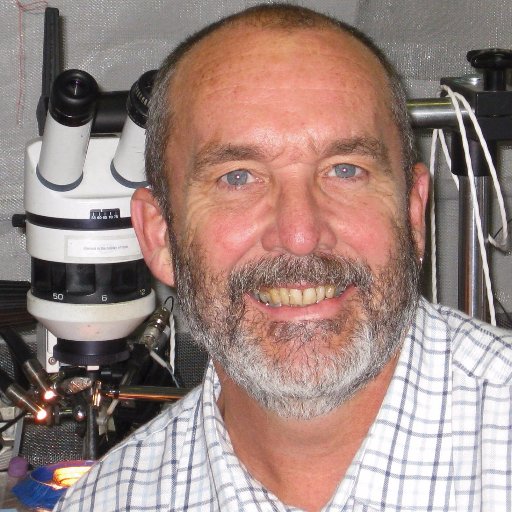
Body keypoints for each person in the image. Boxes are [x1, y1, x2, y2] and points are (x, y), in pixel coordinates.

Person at [54, 4, 512, 511]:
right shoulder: (109, 501)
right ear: (159, 237)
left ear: (411, 212)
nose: (299, 234)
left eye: (345, 170)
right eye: (238, 178)